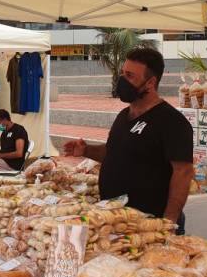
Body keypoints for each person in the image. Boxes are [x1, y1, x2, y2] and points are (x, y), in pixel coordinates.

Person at [63, 48, 194, 234]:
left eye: (130, 76)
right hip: (117, 219)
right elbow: (114, 152)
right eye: (123, 73)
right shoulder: (124, 115)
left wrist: (168, 223)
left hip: (149, 223)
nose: (122, 80)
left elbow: (183, 172)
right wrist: (86, 150)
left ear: (151, 82)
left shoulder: (172, 122)